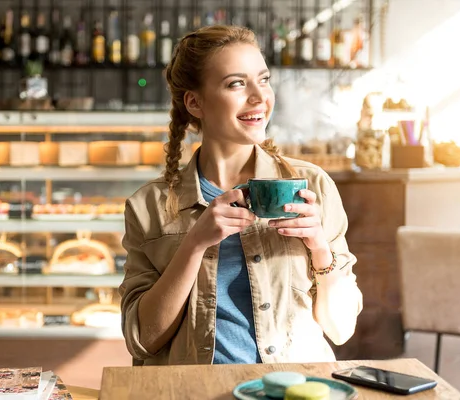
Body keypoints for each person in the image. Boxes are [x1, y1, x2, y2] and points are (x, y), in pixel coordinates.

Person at [119, 25, 363, 366]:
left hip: (291, 388)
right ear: (195, 102)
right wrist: (194, 244)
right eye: (236, 83)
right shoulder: (149, 206)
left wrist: (320, 248)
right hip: (194, 391)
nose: (259, 97)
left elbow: (341, 328)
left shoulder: (313, 185)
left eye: (263, 80)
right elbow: (143, 342)